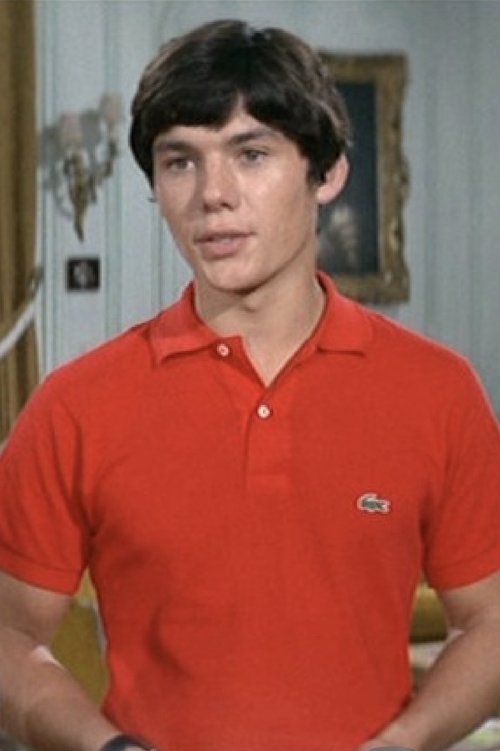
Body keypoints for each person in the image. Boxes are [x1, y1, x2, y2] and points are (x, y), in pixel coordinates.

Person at [0, 18, 499, 751]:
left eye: (251, 153)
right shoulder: (75, 406)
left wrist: (404, 742)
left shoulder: (438, 390)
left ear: (327, 173)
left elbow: (488, 620)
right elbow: (12, 636)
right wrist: (107, 749)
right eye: (180, 162)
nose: (213, 195)